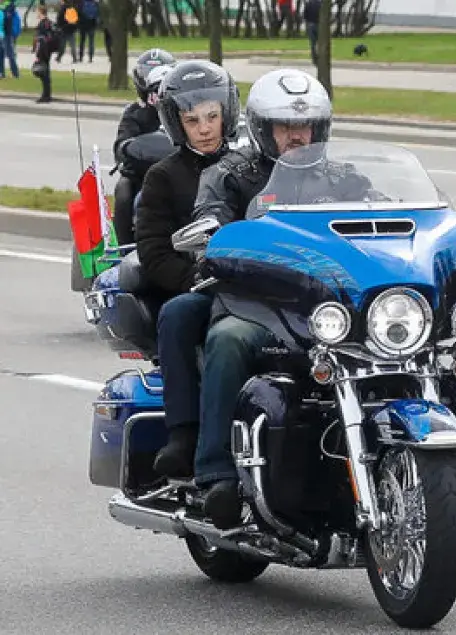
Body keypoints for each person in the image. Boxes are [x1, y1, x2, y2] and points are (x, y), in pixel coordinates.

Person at [184, 68, 335, 529]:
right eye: (285, 126)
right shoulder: (229, 175)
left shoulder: (343, 177)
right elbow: (210, 232)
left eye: (306, 125)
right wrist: (217, 240)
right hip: (254, 305)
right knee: (227, 340)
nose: (297, 135)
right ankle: (215, 473)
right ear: (261, 128)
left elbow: (386, 217)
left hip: (331, 310)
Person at [136, 60, 240, 479]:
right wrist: (194, 279)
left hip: (261, 287)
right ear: (176, 123)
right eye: (192, 120)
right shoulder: (163, 177)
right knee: (177, 313)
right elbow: (154, 251)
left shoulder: (252, 165)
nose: (205, 128)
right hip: (200, 286)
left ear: (227, 112)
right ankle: (183, 433)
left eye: (212, 116)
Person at [112, 48, 177, 246]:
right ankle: (124, 247)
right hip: (143, 174)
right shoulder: (134, 113)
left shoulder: (182, 107)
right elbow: (121, 145)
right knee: (123, 191)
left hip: (179, 168)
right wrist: (128, 149)